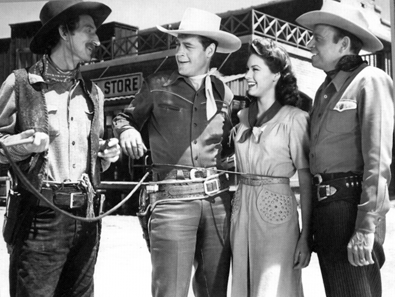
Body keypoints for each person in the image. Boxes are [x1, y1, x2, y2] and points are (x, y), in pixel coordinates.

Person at [113, 7, 241, 297]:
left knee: (215, 291)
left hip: (218, 203)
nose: (179, 53)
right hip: (172, 202)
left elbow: (233, 141)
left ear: (209, 50)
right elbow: (125, 117)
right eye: (178, 45)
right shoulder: (157, 86)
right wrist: (128, 131)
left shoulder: (225, 93)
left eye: (188, 46)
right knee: (169, 291)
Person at [0, 0, 120, 296]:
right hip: (40, 219)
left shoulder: (95, 94)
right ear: (65, 32)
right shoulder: (21, 85)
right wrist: (21, 145)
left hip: (86, 219)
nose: (97, 40)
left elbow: (92, 156)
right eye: (89, 31)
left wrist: (106, 154)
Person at [296, 2, 394, 296]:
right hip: (327, 213)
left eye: (319, 38)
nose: (310, 43)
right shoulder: (324, 91)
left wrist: (366, 228)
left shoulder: (370, 81)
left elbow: (378, 162)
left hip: (351, 211)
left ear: (345, 44)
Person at [230, 37, 312, 297]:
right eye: (247, 69)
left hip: (277, 214)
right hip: (241, 210)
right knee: (243, 287)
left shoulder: (295, 119)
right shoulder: (241, 120)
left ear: (276, 75)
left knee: (273, 289)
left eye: (255, 69)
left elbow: (307, 179)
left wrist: (305, 236)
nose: (247, 76)